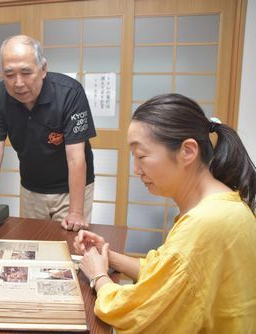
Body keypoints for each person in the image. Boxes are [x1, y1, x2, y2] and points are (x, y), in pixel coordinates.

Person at [73, 93, 256, 333]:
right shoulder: (220, 205)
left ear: (187, 151)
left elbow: (139, 312)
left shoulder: (206, 222)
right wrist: (108, 255)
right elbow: (167, 272)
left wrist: (98, 277)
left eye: (141, 156)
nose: (136, 170)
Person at [0, 35, 96, 231]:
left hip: (72, 189)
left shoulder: (69, 93)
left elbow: (76, 158)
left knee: (70, 245)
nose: (18, 83)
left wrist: (76, 212)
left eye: (26, 72)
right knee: (32, 244)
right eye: (9, 74)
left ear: (43, 69)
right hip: (31, 187)